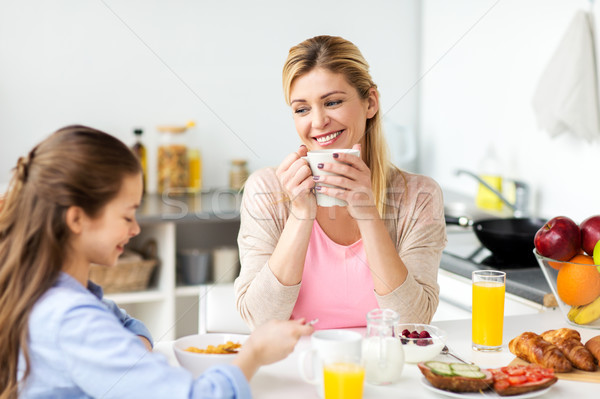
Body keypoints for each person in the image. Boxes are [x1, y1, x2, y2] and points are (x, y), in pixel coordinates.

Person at [0, 125, 313, 399]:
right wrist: (254, 352)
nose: (136, 229)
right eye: (126, 215)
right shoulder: (71, 320)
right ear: (77, 219)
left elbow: (125, 324)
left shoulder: (53, 292)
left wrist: (131, 360)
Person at [235, 35, 447, 330]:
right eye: (302, 109)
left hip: (382, 369)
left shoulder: (419, 196)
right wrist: (300, 213)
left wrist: (367, 213)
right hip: (294, 369)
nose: (318, 121)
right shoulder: (266, 189)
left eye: (332, 102)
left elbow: (413, 323)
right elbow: (260, 321)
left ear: (370, 102)